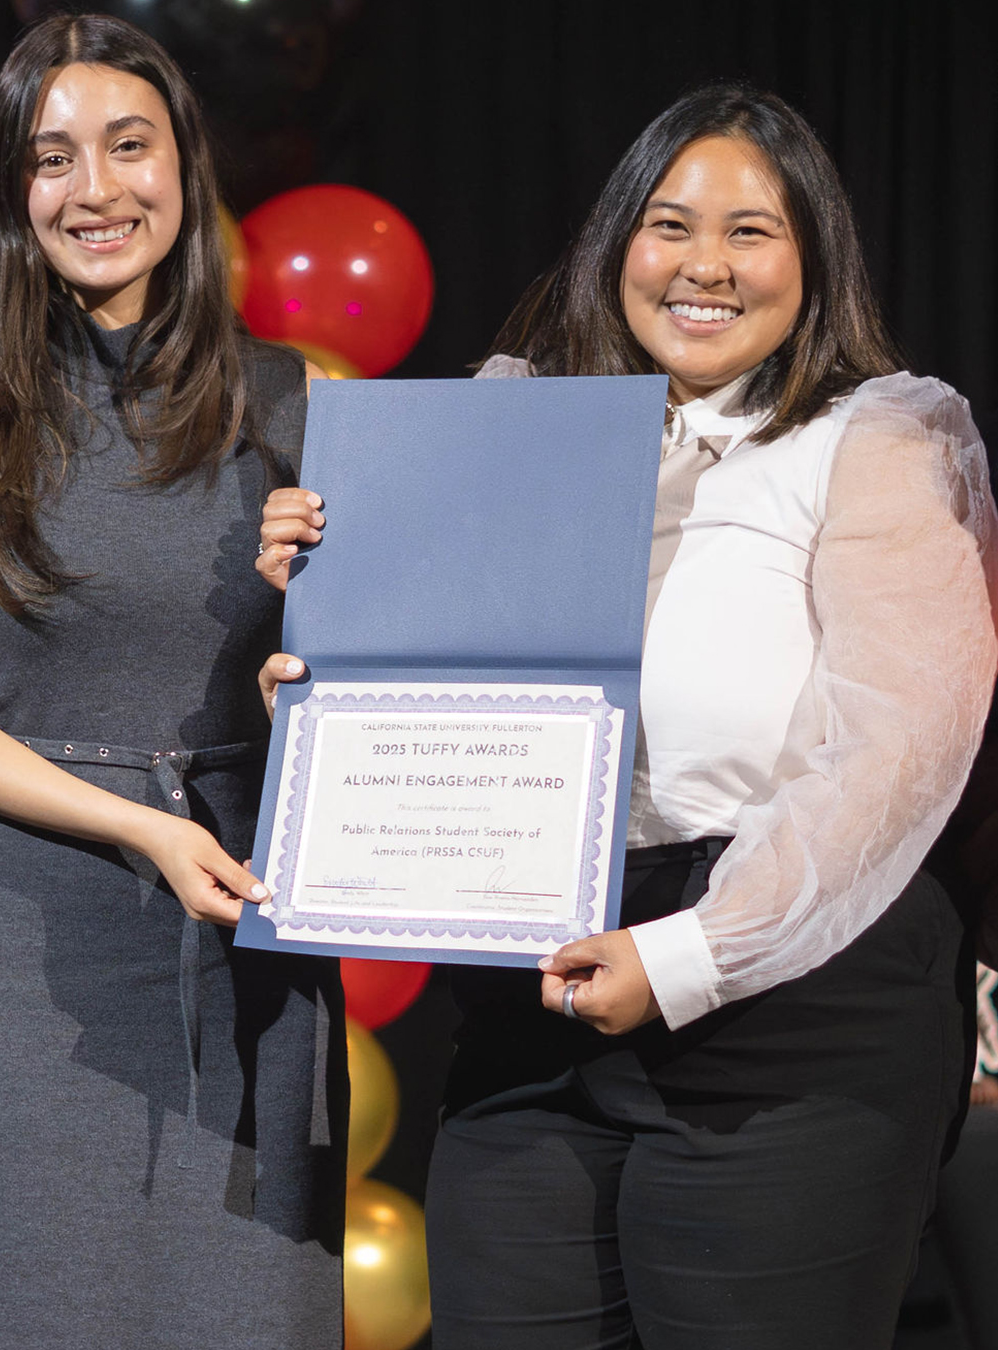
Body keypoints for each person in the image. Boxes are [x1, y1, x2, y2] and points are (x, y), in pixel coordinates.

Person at [259, 84, 998, 1349]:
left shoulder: (870, 438)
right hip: (536, 998)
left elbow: (898, 757)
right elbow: (430, 685)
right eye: (671, 224)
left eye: (752, 231)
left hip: (796, 1009)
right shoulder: (516, 428)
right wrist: (327, 649)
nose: (706, 264)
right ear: (618, 245)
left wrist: (692, 955)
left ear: (815, 260)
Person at [0, 14, 344, 1349]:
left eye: (127, 146)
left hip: (247, 935)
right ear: (12, 193)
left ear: (184, 167)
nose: (95, 189)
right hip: (23, 953)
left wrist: (304, 677)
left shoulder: (292, 402)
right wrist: (141, 826)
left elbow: (344, 691)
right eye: (53, 159)